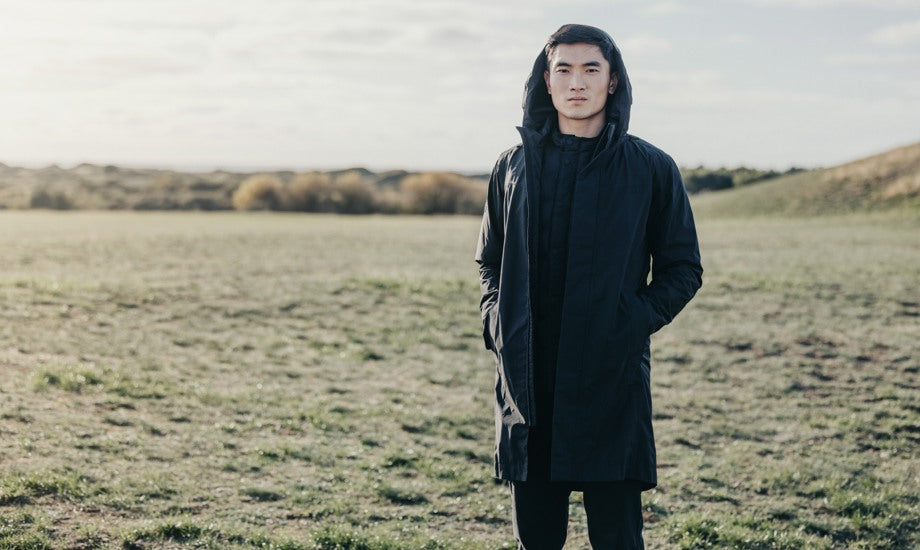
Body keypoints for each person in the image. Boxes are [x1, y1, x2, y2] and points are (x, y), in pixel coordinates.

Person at [475, 24, 703, 549]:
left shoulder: (650, 168)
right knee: (536, 539)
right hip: (529, 384)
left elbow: (683, 268)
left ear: (613, 82)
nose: (577, 82)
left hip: (609, 380)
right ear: (546, 82)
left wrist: (629, 321)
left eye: (590, 69)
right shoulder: (512, 168)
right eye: (564, 69)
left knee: (617, 538)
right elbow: (489, 261)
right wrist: (497, 322)